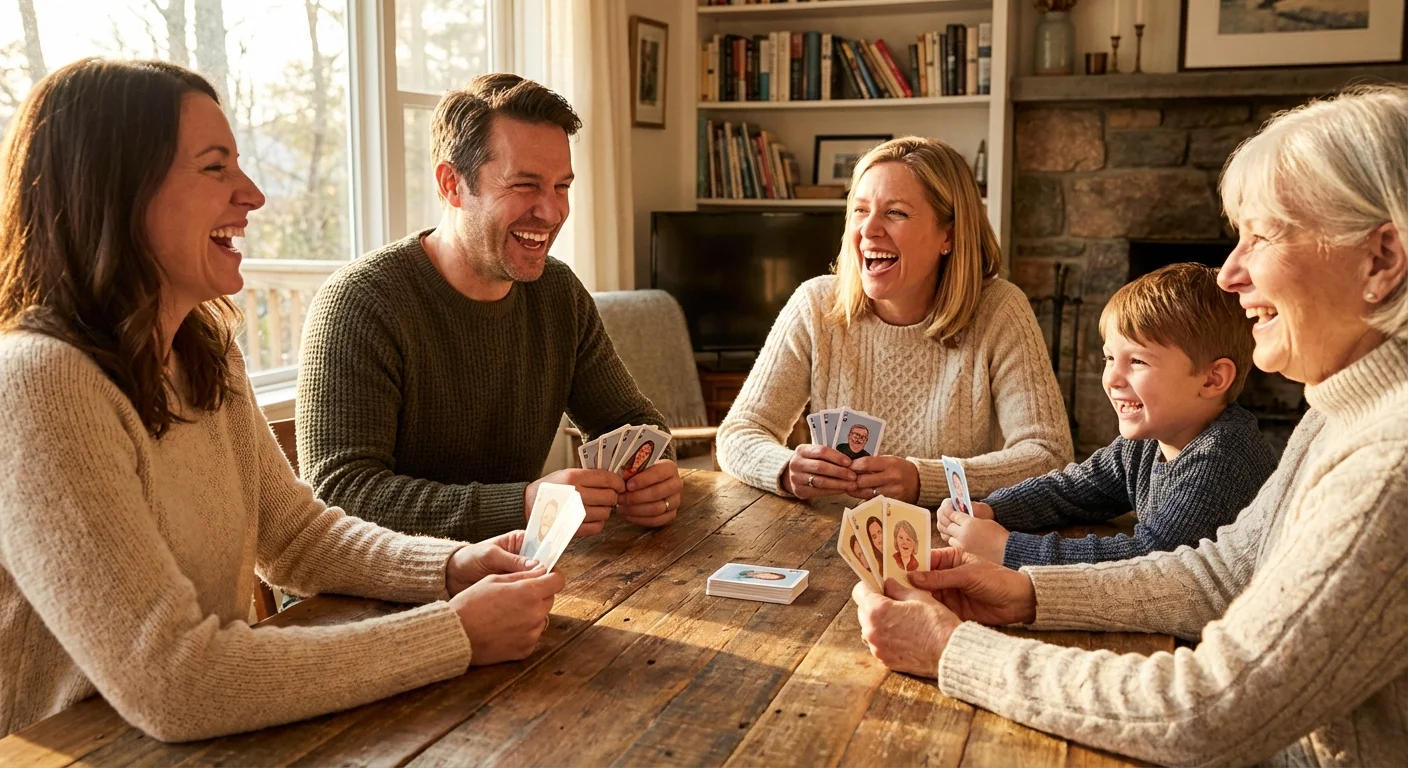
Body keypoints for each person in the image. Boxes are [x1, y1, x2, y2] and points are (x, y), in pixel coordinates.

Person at [0, 59, 566, 742]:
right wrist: (453, 635)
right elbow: (176, 681)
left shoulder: (202, 350)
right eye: (215, 168)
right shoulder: (38, 383)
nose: (253, 194)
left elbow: (296, 537)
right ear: (114, 190)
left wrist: (448, 566)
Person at [852, 85, 1408, 765]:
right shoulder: (1338, 414)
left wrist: (951, 650)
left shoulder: (1390, 462)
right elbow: (1223, 573)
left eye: (1263, 235)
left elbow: (1202, 711)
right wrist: (1025, 593)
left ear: (1381, 261)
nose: (1231, 274)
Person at [297, 73, 682, 545]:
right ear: (452, 184)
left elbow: (632, 424)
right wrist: (520, 504)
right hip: (361, 604)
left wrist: (655, 472)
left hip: (503, 575)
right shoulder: (360, 304)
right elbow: (340, 495)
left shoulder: (558, 292)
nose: (552, 211)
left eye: (561, 187)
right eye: (525, 185)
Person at [717, 137, 1071, 507]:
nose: (869, 230)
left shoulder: (1000, 309)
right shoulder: (815, 303)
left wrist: (925, 479)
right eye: (860, 210)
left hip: (949, 543)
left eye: (895, 213)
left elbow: (1048, 455)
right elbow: (739, 433)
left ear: (948, 235)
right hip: (826, 539)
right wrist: (786, 469)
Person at [937, 263, 1279, 568]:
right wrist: (994, 509)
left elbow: (1149, 562)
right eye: (1109, 359)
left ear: (1212, 379)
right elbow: (1073, 489)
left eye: (1138, 362)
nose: (1112, 379)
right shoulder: (1149, 443)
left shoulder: (1222, 459)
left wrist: (1006, 548)